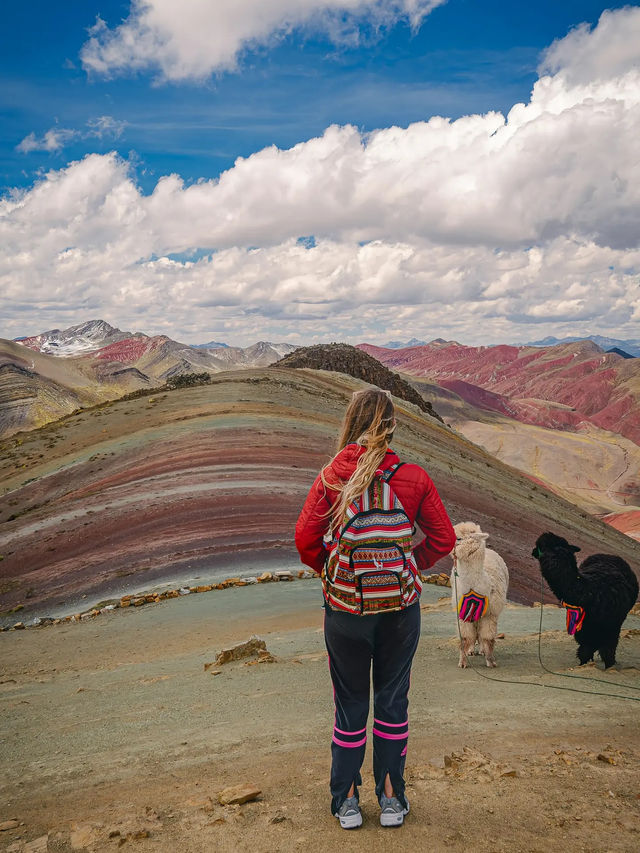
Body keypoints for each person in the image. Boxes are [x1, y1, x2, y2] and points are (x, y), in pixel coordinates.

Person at [295, 387, 456, 829]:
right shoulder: (414, 477)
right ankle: (391, 797)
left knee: (349, 704)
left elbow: (305, 541)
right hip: (401, 612)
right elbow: (444, 539)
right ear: (391, 425)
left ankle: (346, 800)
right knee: (392, 701)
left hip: (346, 612)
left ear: (350, 422)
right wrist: (408, 568)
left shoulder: (331, 476)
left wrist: (338, 575)